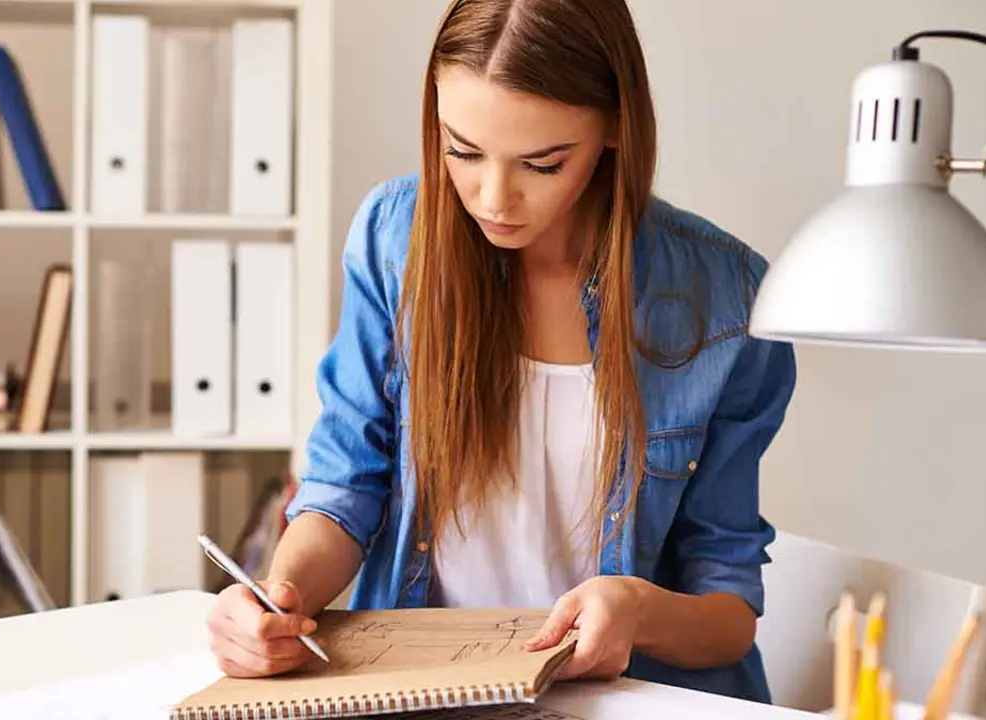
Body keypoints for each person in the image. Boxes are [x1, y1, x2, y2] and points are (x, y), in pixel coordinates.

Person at [205, 0, 797, 704]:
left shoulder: (725, 298)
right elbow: (344, 491)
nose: (493, 198)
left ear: (615, 126)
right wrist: (280, 597)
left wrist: (638, 608)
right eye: (461, 150)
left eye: (542, 163)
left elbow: (727, 612)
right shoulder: (395, 243)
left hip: (633, 699)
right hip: (429, 693)